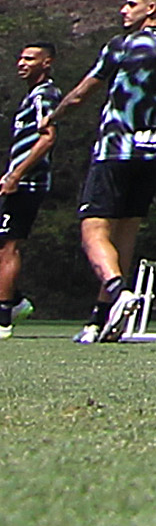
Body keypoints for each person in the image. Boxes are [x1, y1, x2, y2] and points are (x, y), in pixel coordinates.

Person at [52, 0, 156, 343]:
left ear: (152, 9)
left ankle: (118, 293)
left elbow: (82, 94)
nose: (123, 11)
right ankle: (100, 319)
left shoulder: (121, 46)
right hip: (154, 153)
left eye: (131, 4)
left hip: (116, 150)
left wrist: (52, 117)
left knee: (93, 232)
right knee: (126, 233)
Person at [2, 44, 64, 332]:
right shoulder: (30, 96)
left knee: (8, 244)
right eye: (21, 57)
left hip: (27, 182)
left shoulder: (45, 95)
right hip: (16, 180)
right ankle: (14, 301)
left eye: (29, 58)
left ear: (46, 63)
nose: (21, 63)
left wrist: (17, 174)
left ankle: (4, 318)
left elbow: (47, 137)